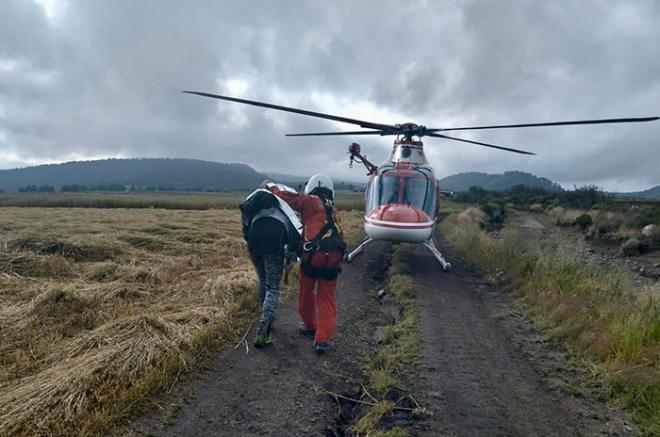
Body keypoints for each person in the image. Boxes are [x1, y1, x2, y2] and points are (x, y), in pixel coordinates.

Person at [265, 174, 346, 354]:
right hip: (334, 257)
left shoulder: (310, 201)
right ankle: (322, 340)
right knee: (327, 298)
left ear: (312, 187)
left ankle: (310, 327)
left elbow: (286, 198)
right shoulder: (333, 209)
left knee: (306, 294)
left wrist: (270, 186)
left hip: (313, 256)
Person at [240, 189, 301, 348]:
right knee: (272, 288)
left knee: (263, 281)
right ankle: (263, 332)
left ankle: (266, 318)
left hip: (254, 245)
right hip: (274, 247)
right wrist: (290, 259)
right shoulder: (284, 213)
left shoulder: (254, 213)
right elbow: (295, 237)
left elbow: (246, 234)